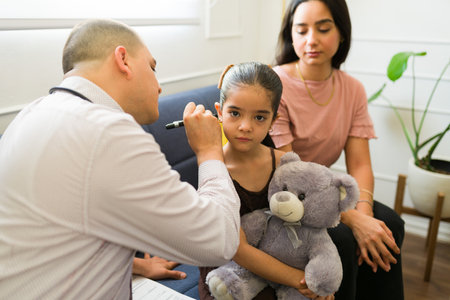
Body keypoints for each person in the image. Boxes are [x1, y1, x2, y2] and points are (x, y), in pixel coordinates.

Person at [0, 19, 241, 299]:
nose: (159, 86)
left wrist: (134, 264)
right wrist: (210, 151)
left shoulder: (29, 116)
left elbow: (56, 232)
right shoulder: (108, 132)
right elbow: (220, 241)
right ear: (123, 59)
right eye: (152, 68)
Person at [270, 1, 405, 299]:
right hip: (284, 196)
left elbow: (359, 164)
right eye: (301, 30)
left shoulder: (352, 89)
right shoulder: (274, 83)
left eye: (323, 28)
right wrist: (353, 220)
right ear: (290, 35)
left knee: (389, 225)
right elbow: (290, 173)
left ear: (341, 33)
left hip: (322, 192)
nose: (311, 40)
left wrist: (365, 214)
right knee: (344, 235)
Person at [198, 62, 334, 300]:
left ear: (273, 121)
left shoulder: (285, 163)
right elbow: (237, 250)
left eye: (259, 117)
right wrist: (302, 281)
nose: (245, 127)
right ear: (219, 111)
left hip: (281, 259)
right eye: (235, 113)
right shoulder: (214, 170)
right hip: (228, 272)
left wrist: (319, 278)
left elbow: (309, 224)